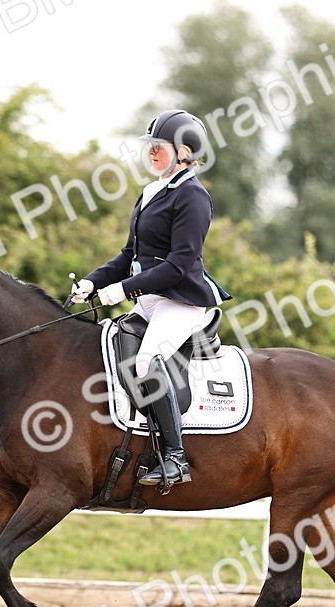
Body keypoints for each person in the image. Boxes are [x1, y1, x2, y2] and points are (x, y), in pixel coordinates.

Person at [71, 109, 231, 488]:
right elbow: (129, 255)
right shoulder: (151, 192)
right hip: (150, 300)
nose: (153, 153)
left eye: (160, 147)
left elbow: (178, 265)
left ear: (185, 151)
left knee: (146, 362)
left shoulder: (194, 197)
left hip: (181, 301)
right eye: (151, 147)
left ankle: (176, 459)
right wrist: (94, 283)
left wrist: (123, 290)